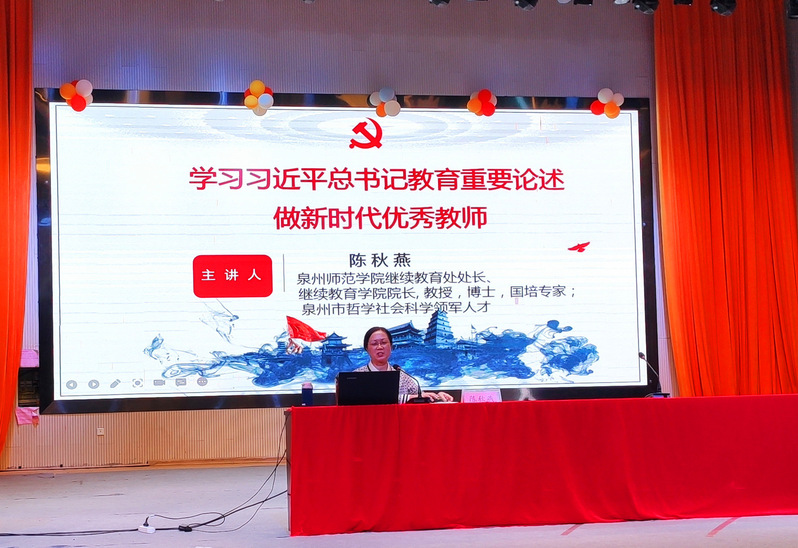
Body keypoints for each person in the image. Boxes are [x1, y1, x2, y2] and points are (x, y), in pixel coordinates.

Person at [353, 326, 454, 403]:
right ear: (367, 348)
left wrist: (438, 396)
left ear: (391, 346)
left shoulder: (401, 375)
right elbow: (373, 400)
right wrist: (407, 397)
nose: (380, 347)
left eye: (383, 343)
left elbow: (419, 396)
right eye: (374, 344)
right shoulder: (357, 376)